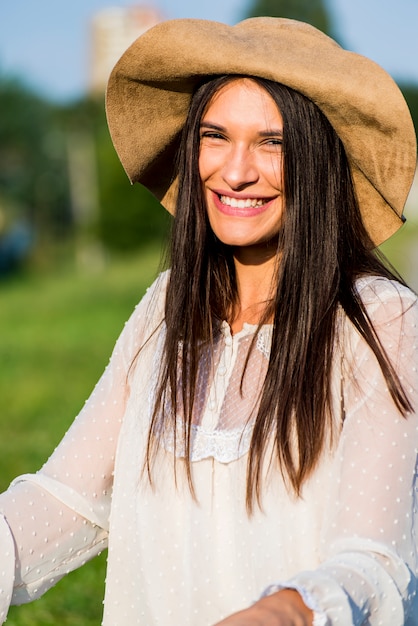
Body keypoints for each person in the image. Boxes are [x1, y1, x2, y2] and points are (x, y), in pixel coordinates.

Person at [0, 16, 417, 626]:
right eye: (215, 135)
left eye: (272, 142)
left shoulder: (384, 323)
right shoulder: (164, 312)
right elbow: (69, 502)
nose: (236, 170)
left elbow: (376, 562)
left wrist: (283, 612)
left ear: (318, 160)